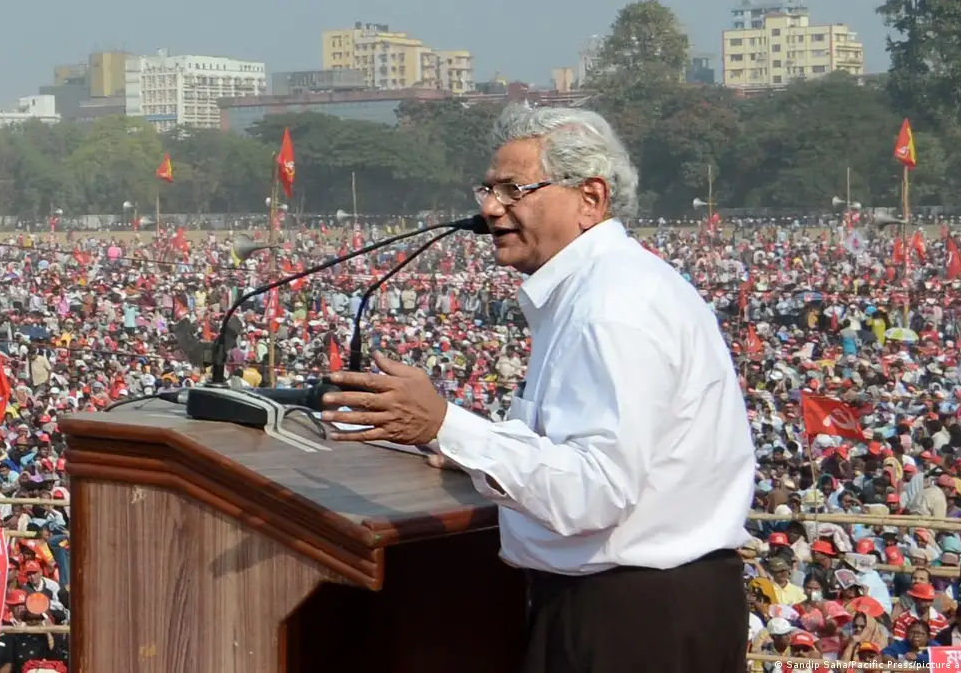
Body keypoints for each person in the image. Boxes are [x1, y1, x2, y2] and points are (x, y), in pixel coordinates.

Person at [321, 103, 755, 672]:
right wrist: (470, 452)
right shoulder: (601, 287)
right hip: (630, 606)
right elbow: (578, 449)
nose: (489, 208)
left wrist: (445, 425)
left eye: (514, 189)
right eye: (488, 188)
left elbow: (596, 493)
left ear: (589, 199)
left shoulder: (611, 305)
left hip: (632, 621)